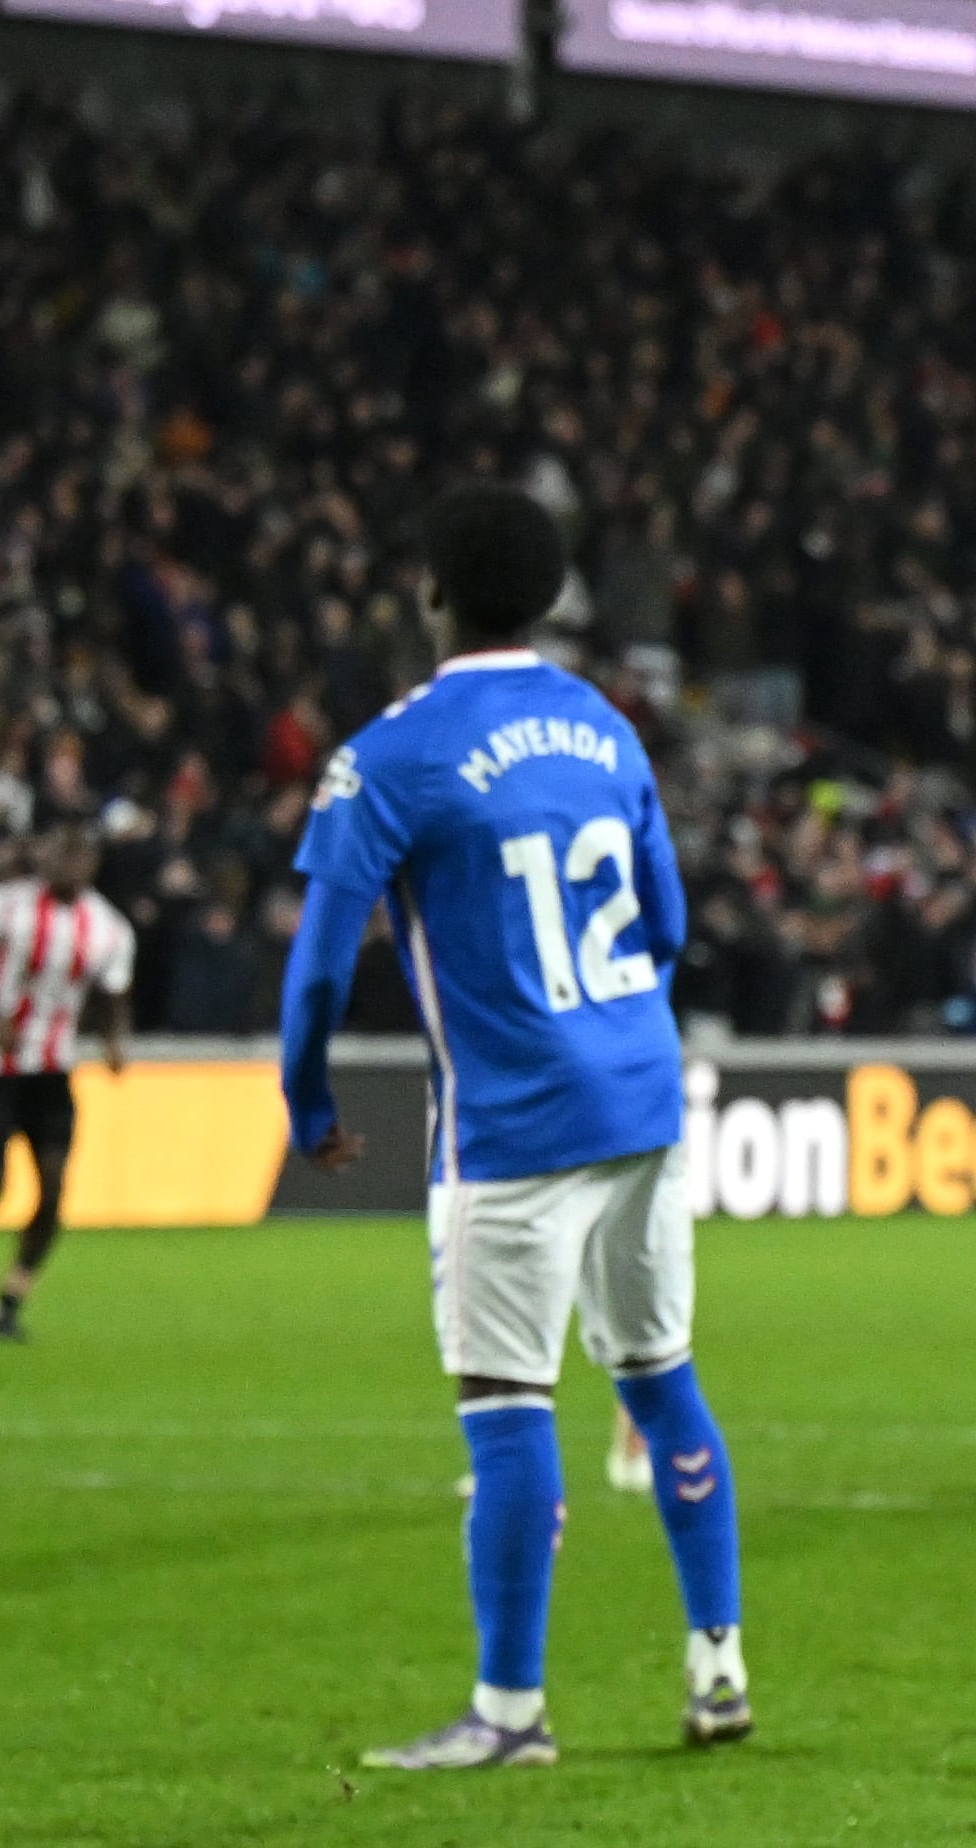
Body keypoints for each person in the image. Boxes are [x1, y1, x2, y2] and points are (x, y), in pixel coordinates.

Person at [276, 482, 749, 1767]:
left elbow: (321, 961)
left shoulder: (392, 751)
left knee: (507, 1396)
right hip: (643, 1093)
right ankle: (719, 1669)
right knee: (658, 1377)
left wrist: (307, 1098)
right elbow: (669, 925)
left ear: (430, 591)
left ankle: (509, 1713)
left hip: (517, 1115)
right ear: (548, 600)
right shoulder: (604, 727)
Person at [0, 817, 135, 1341]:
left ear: (91, 865)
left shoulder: (108, 928)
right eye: (58, 852)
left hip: (52, 1068)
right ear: (41, 856)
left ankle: (7, 1305)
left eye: (78, 855)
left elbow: (112, 997)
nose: (67, 864)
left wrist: (114, 1042)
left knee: (54, 1188)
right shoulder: (1, 907)